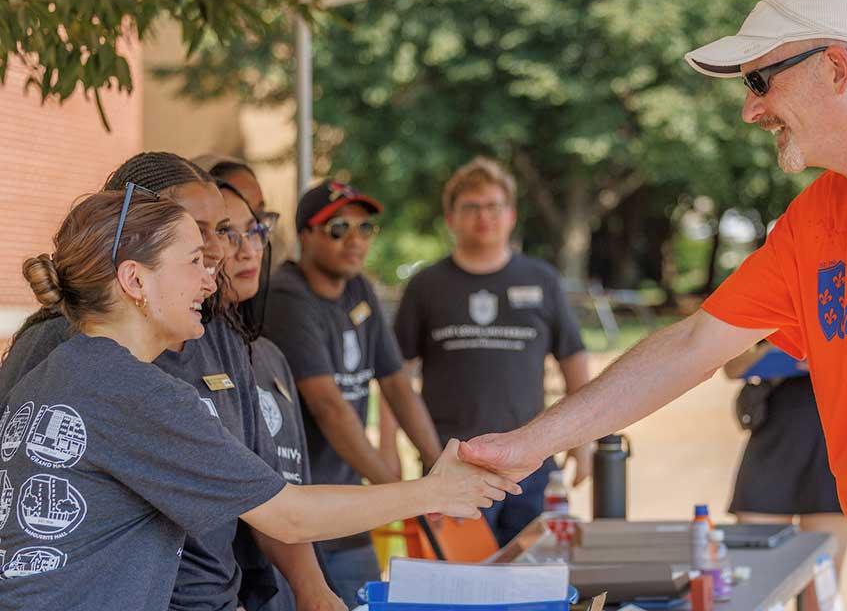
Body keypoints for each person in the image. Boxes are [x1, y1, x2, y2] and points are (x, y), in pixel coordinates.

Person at [458, 0, 847, 609]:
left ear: (836, 66)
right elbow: (693, 345)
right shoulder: (814, 220)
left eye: (760, 81)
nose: (751, 110)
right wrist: (524, 445)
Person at [0, 191, 514, 608]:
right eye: (193, 262)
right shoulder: (132, 390)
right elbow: (288, 515)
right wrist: (434, 492)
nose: (212, 275)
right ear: (135, 280)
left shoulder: (58, 373)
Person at [0, 152, 335, 611]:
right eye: (197, 234)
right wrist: (433, 490)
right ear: (140, 246)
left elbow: (266, 488)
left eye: (223, 229)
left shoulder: (216, 336)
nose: (219, 250)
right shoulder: (67, 347)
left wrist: (312, 587)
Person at [392, 157, 591, 546]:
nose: (484, 217)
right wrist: (390, 454)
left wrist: (582, 443)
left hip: (532, 462)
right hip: (452, 464)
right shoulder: (427, 286)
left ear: (512, 215)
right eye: (471, 207)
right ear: (450, 218)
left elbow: (574, 360)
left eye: (493, 206)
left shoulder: (541, 279)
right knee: (461, 589)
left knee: (531, 581)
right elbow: (392, 375)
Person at [263, 179, 444, 605]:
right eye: (339, 228)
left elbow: (397, 384)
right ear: (306, 234)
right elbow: (329, 408)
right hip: (301, 512)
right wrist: (400, 494)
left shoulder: (358, 289)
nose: (355, 241)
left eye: (365, 229)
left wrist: (437, 465)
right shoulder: (287, 297)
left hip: (349, 510)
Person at [202, 153, 337, 611]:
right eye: (226, 230)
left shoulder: (268, 356)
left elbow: (287, 485)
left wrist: (312, 585)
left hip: (287, 585)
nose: (250, 247)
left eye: (258, 223)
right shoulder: (167, 357)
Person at [724, 343, 847, 610]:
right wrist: (773, 352)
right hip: (772, 444)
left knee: (821, 591)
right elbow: (731, 366)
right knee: (752, 581)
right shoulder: (768, 308)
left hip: (834, 448)